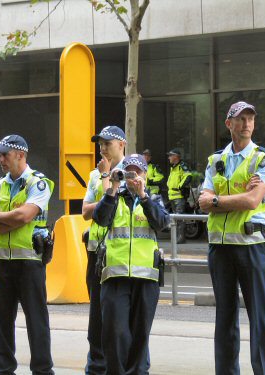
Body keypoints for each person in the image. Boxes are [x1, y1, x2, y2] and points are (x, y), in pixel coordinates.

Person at [198, 101, 265, 375]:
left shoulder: (263, 159)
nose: (246, 124)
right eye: (240, 119)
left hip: (251, 246)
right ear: (228, 124)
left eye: (250, 119)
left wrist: (218, 200)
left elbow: (253, 200)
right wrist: (236, 198)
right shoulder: (215, 160)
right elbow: (202, 202)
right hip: (219, 248)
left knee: (260, 318)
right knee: (224, 319)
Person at [0, 134, 55, 375]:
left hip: (30, 263)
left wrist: (1, 216)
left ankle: (43, 371)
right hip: (2, 263)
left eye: (5, 154)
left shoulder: (39, 183)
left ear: (20, 155)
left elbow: (26, 215)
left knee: (36, 322)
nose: (0, 159)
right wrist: (14, 219)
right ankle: (3, 370)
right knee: (1, 322)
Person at [92, 154, 170, 375]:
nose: (133, 176)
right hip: (115, 277)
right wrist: (112, 187)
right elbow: (100, 218)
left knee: (139, 335)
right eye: (128, 172)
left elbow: (162, 222)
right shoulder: (114, 197)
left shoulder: (153, 199)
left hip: (146, 278)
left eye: (138, 172)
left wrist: (143, 196)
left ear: (145, 174)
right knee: (115, 334)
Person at [81, 125, 126, 375]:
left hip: (119, 256)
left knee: (118, 322)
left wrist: (108, 181)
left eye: (107, 143)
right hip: (96, 253)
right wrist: (106, 194)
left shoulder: (133, 172)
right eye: (100, 144)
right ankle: (96, 367)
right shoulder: (94, 175)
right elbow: (87, 211)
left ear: (122, 145)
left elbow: (112, 208)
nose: (102, 148)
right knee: (96, 319)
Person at [166, 148, 192, 244]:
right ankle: (176, 237)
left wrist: (180, 186)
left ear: (176, 156)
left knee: (180, 218)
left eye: (170, 155)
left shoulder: (182, 166)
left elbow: (188, 176)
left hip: (178, 196)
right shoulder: (173, 167)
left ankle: (181, 238)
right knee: (175, 219)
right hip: (172, 196)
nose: (169, 157)